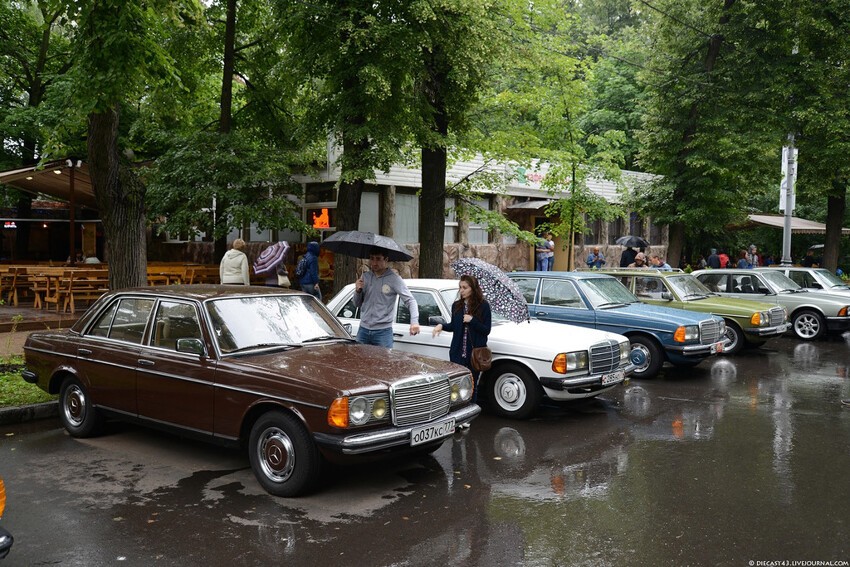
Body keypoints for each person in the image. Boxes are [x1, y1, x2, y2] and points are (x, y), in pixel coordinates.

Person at [432, 275, 492, 401]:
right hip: (457, 353)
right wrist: (441, 326)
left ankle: (470, 415)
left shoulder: (483, 306)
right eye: (460, 287)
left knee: (472, 386)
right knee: (456, 386)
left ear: (473, 289)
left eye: (465, 287)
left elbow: (486, 330)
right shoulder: (457, 306)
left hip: (474, 355)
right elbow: (454, 326)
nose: (461, 290)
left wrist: (472, 320)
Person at [353, 248, 420, 348]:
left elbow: (410, 300)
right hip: (363, 330)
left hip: (383, 332)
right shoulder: (365, 277)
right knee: (359, 362)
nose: (374, 263)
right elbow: (356, 304)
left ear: (386, 259)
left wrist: (414, 322)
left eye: (378, 259)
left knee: (385, 363)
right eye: (372, 258)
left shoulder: (394, 279)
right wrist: (357, 291)